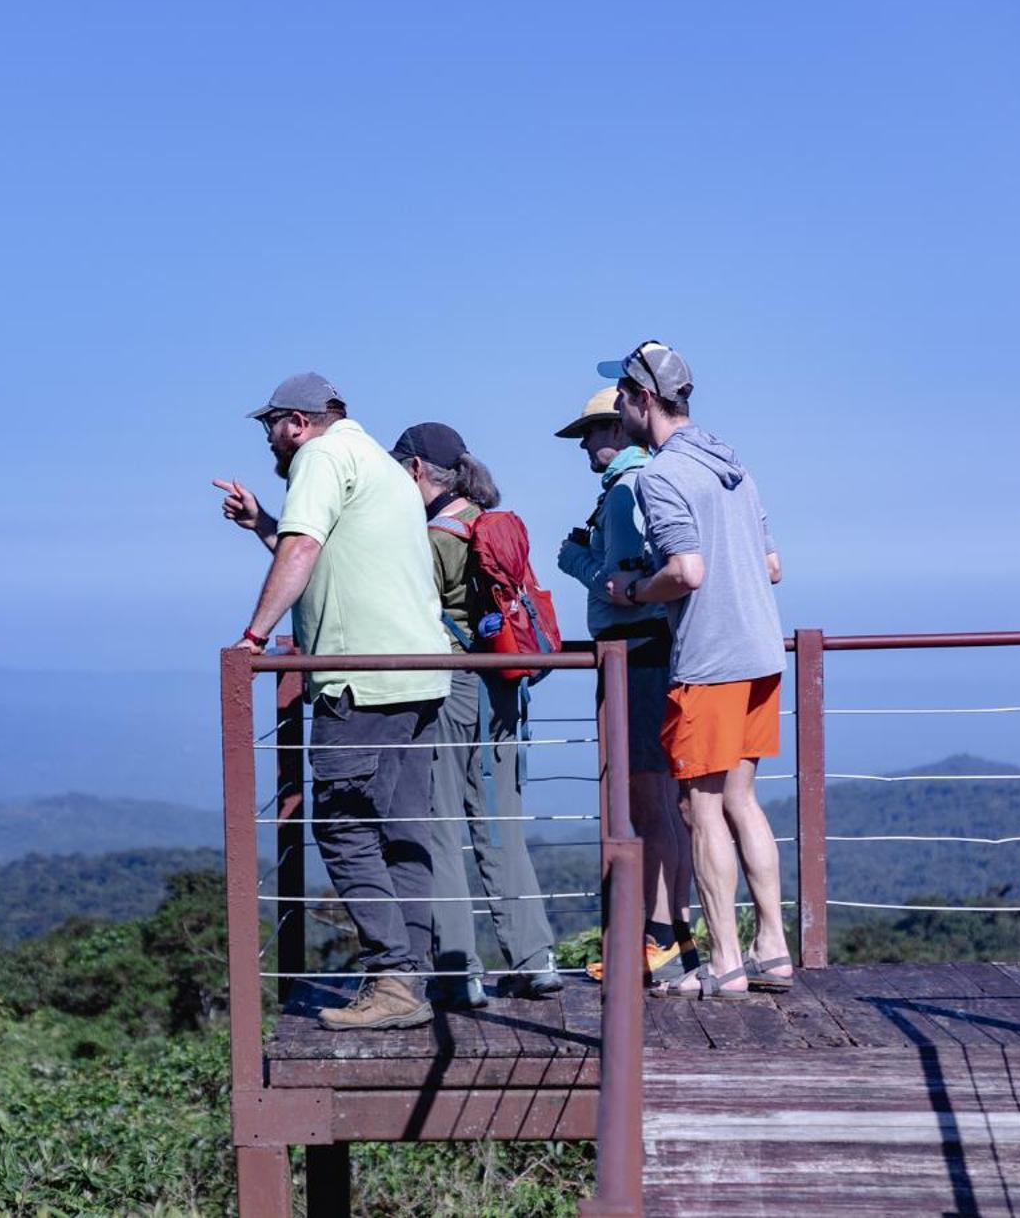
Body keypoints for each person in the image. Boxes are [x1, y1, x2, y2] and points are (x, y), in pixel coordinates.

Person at [215, 372, 453, 1030]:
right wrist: (263, 520)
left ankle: (392, 978)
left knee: (345, 828)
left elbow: (303, 548)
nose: (270, 439)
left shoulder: (319, 457)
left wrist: (253, 636)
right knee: (403, 830)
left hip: (361, 681)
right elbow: (330, 562)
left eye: (270, 426)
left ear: (297, 421)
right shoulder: (376, 461)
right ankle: (410, 978)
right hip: (418, 674)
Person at [601, 343, 793, 1000]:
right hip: (762, 651)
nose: (618, 406)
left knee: (700, 808)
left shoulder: (661, 477)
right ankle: (774, 948)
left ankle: (727, 963)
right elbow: (771, 566)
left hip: (709, 658)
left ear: (645, 400)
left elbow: (686, 571)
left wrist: (629, 589)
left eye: (622, 395)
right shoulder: (734, 465)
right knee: (742, 800)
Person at [388, 422, 561, 1002]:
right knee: (499, 825)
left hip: (452, 686)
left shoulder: (431, 538)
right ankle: (535, 959)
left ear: (416, 470)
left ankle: (460, 973)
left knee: (440, 826)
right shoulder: (490, 524)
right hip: (505, 689)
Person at [553, 387, 697, 988]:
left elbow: (621, 579)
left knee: (646, 801)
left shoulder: (623, 491)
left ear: (617, 428)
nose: (584, 444)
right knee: (671, 803)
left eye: (589, 431)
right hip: (661, 652)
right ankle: (671, 931)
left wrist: (573, 559)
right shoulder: (659, 478)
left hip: (635, 656)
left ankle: (660, 938)